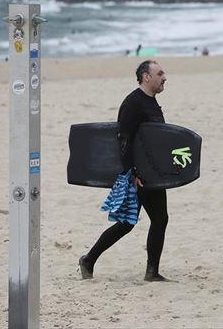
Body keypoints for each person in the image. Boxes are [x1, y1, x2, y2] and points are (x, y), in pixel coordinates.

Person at [79, 60, 172, 282]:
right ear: (146, 77)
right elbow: (124, 139)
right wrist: (132, 173)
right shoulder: (133, 103)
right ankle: (150, 272)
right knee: (152, 220)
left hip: (151, 173)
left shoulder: (150, 102)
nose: (164, 77)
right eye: (159, 73)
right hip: (139, 175)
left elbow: (153, 138)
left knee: (134, 222)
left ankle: (90, 260)